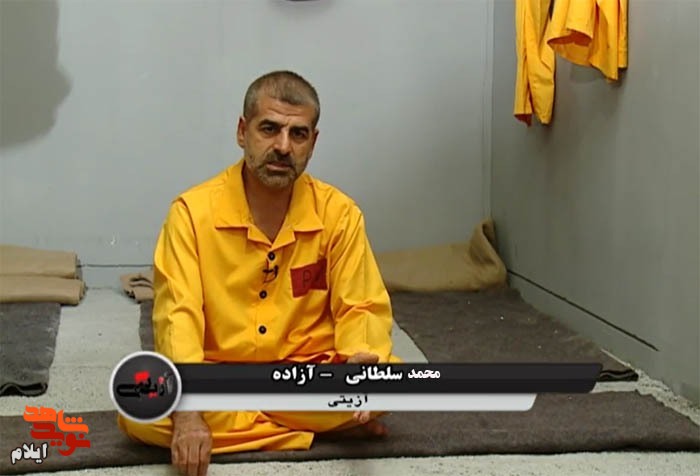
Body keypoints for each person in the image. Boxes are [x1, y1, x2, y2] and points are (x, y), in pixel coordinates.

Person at [117, 70, 400, 476]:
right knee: (137, 410)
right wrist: (190, 412)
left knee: (392, 382)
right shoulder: (192, 214)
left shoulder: (339, 214)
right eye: (269, 129)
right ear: (242, 131)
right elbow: (177, 316)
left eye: (298, 134)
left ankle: (263, 424)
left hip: (306, 371)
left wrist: (361, 359)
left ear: (313, 143)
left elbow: (363, 305)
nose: (283, 147)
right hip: (216, 374)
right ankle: (309, 431)